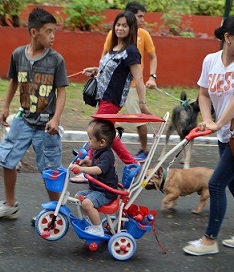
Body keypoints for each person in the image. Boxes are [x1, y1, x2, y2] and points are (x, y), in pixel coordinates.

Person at [182, 15, 234, 256]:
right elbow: (204, 94)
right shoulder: (210, 60)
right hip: (225, 134)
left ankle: (209, 240)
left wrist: (218, 123)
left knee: (215, 184)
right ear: (227, 38)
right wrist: (207, 119)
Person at [0, 8, 68, 220]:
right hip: (23, 120)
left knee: (49, 170)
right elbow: (13, 81)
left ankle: (55, 211)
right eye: (48, 31)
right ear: (33, 32)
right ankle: (10, 205)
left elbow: (62, 91)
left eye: (54, 31)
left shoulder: (56, 60)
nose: (52, 36)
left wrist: (56, 118)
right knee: (7, 159)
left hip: (46, 125)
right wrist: (5, 107)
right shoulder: (18, 55)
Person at [82, 10, 151, 166]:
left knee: (96, 130)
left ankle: (91, 165)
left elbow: (138, 78)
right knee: (108, 134)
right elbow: (113, 70)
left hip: (112, 98)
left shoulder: (131, 51)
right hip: (102, 96)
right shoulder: (115, 47)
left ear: (131, 28)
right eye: (118, 25)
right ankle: (132, 164)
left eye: (124, 26)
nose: (120, 28)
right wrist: (95, 70)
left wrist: (142, 103)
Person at [103, 1, 157, 162]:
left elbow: (143, 70)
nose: (142, 20)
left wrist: (152, 77)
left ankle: (142, 151)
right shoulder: (114, 36)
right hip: (110, 90)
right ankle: (96, 154)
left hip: (131, 87)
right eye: (140, 16)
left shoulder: (140, 39)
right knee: (103, 126)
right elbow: (106, 56)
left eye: (123, 26)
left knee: (136, 120)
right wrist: (98, 72)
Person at [70, 119, 123, 236]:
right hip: (97, 188)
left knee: (87, 203)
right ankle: (89, 220)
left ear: (102, 142)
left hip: (105, 192)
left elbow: (98, 170)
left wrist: (82, 169)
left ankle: (97, 229)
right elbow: (95, 165)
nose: (88, 141)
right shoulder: (98, 151)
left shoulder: (107, 155)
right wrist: (85, 162)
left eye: (90, 138)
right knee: (78, 196)